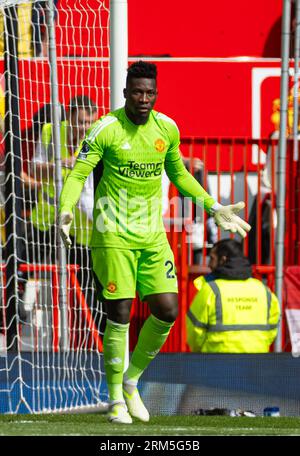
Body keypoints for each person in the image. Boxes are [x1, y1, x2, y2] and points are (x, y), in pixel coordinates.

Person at [58, 61, 251, 424]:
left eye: (150, 92)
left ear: (156, 94)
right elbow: (78, 172)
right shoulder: (106, 129)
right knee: (119, 313)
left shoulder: (167, 128)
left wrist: (213, 206)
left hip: (152, 236)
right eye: (137, 92)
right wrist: (66, 210)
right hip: (112, 234)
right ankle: (115, 398)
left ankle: (131, 381)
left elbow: (177, 173)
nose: (143, 98)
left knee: (167, 310)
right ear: (125, 93)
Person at [29, 96, 103, 330]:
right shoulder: (51, 131)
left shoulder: (99, 137)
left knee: (88, 288)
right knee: (23, 268)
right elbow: (34, 168)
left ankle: (96, 340)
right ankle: (16, 319)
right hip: (45, 220)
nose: (85, 127)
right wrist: (61, 164)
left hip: (81, 228)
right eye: (81, 121)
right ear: (69, 116)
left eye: (89, 122)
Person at [186, 239, 280, 353]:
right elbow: (273, 326)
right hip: (256, 362)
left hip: (217, 362)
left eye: (212, 258)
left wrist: (203, 352)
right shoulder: (263, 291)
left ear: (223, 259)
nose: (209, 264)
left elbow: (194, 332)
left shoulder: (211, 290)